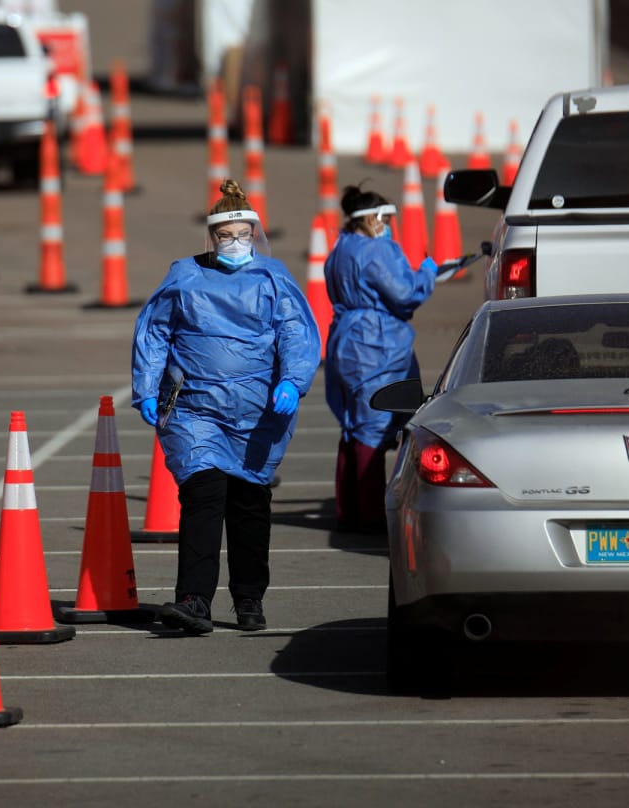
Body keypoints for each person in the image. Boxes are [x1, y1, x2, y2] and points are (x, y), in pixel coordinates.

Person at [132, 179, 322, 634]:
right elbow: (154, 331)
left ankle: (249, 597)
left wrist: (294, 382)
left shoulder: (275, 279)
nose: (234, 244)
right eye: (225, 236)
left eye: (243, 235)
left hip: (258, 412)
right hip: (196, 409)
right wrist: (145, 388)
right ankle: (194, 599)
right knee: (202, 493)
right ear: (212, 236)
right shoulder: (184, 276)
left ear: (255, 234)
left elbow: (297, 332)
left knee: (249, 502)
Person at [323, 184, 437, 533]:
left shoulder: (341, 248)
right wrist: (429, 273)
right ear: (371, 219)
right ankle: (372, 517)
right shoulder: (375, 251)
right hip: (377, 345)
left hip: (344, 339)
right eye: (385, 218)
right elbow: (404, 294)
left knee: (352, 428)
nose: (387, 225)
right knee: (375, 428)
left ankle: (349, 511)